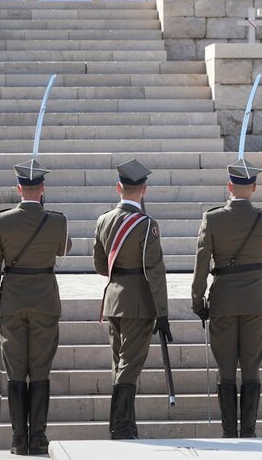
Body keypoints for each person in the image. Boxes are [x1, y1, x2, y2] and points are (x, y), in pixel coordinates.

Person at [0, 158, 71, 456]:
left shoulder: (1, 221)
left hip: (12, 303)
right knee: (41, 371)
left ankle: (19, 440)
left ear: (18, 188)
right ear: (42, 188)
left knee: (16, 372)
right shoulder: (57, 220)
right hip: (45, 301)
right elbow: (64, 249)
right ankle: (39, 438)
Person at [191, 158, 262, 439]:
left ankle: (229, 432)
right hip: (254, 300)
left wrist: (197, 300)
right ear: (254, 187)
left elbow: (202, 263)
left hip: (223, 300)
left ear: (228, 186)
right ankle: (249, 432)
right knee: (251, 367)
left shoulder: (213, 218)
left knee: (225, 367)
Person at [92, 159, 171, 440]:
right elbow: (155, 272)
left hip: (113, 300)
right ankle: (121, 427)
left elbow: (100, 265)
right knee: (130, 365)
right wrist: (162, 313)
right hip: (139, 303)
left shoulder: (103, 220)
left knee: (119, 363)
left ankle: (125, 425)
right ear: (144, 190)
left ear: (118, 188)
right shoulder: (147, 225)